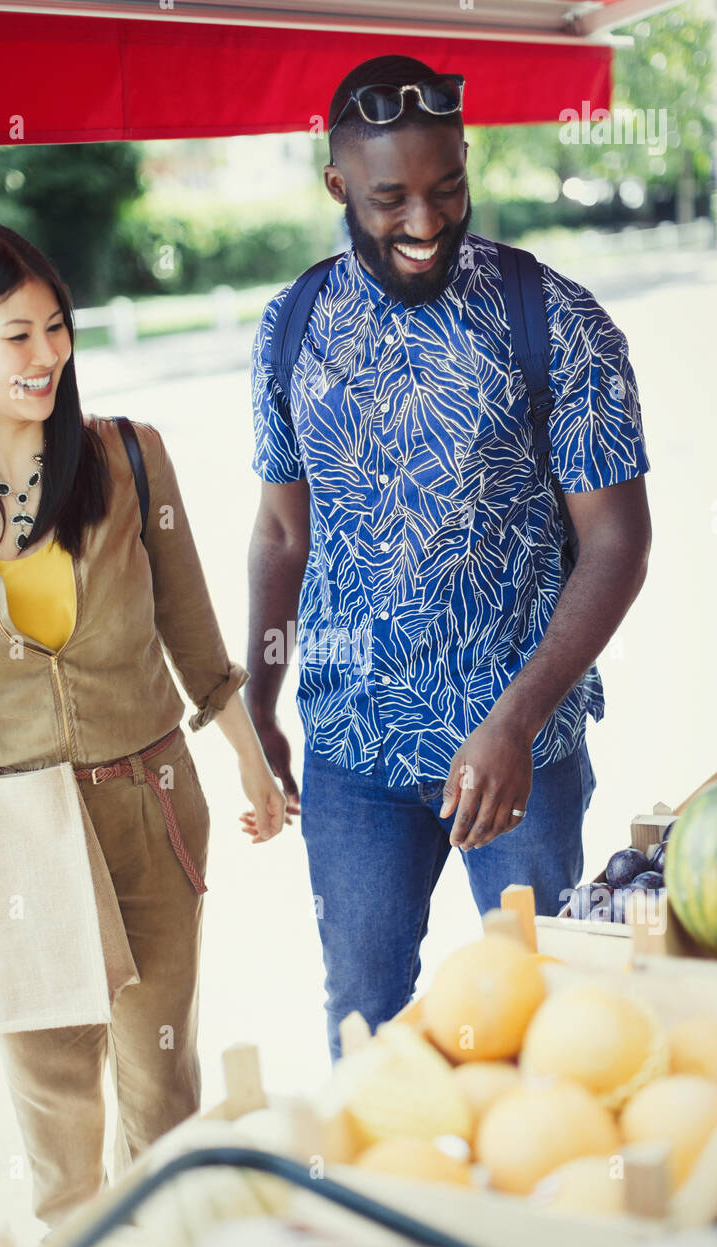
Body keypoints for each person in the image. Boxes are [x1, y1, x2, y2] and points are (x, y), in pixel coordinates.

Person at [245, 55, 653, 1060]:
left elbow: (617, 540)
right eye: (390, 198)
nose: (424, 221)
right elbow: (282, 532)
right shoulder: (289, 324)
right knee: (367, 1026)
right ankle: (390, 1215)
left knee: (546, 1021)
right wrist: (255, 694)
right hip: (351, 758)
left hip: (518, 758)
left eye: (446, 187)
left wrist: (514, 721)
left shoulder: (553, 319)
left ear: (467, 162)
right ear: (336, 183)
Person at [0, 221, 288, 1228]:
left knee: (162, 1097)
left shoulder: (128, 458)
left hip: (149, 811)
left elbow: (193, 632)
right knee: (56, 1121)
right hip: (11, 834)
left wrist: (249, 761)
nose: (47, 355)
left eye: (56, 328)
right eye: (15, 335)